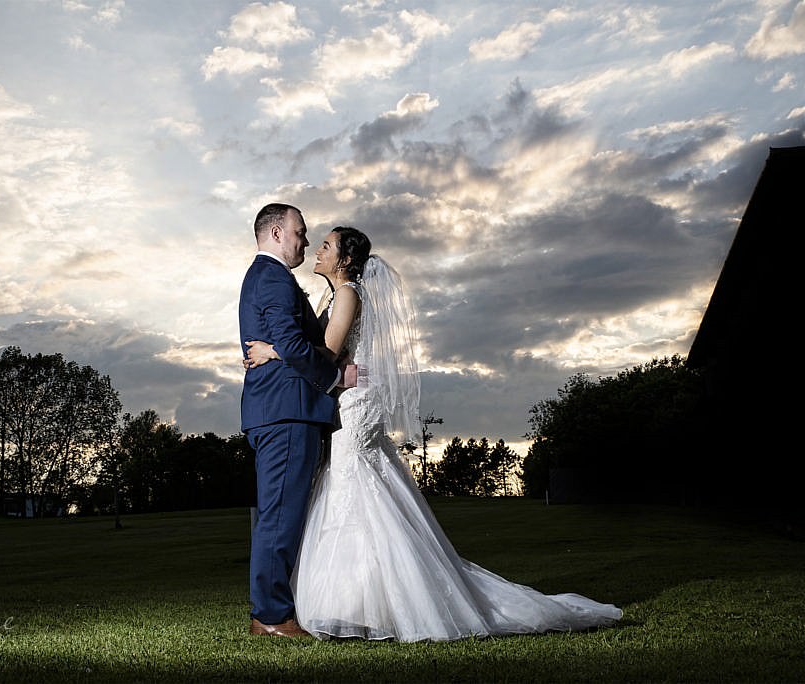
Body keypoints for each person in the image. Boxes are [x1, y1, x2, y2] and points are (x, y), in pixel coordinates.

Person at [244, 226, 623, 641]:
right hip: (344, 399)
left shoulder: (349, 293)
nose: (318, 248)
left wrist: (271, 351)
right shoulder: (333, 295)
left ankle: (369, 603)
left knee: (357, 487)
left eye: (327, 246)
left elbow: (328, 353)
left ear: (346, 260)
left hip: (354, 404)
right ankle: (350, 600)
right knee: (345, 488)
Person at [238, 203, 343, 638]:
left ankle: (275, 607)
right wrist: (337, 377)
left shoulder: (268, 277)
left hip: (282, 411)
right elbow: (292, 344)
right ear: (277, 232)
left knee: (283, 513)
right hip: (286, 411)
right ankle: (271, 615)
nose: (304, 240)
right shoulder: (273, 277)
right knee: (280, 516)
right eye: (300, 232)